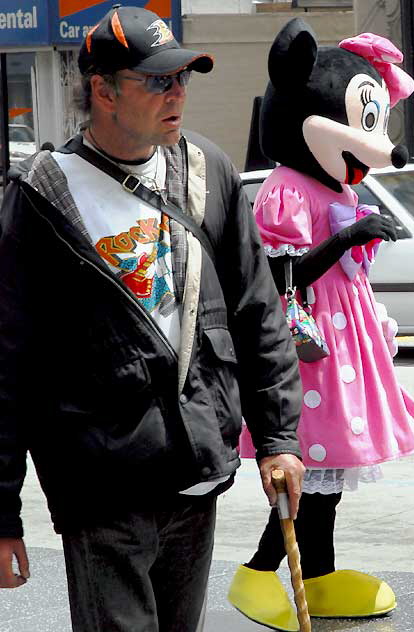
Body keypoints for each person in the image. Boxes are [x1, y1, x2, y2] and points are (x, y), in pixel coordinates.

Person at [0, 6, 305, 631]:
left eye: (184, 79)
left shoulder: (207, 173)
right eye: (158, 81)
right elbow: (7, 362)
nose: (178, 94)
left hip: (196, 477)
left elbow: (256, 313)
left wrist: (278, 439)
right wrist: (3, 516)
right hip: (103, 488)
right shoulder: (39, 195)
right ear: (103, 90)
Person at [228, 19, 414, 631]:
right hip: (308, 354)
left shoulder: (332, 192)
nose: (376, 147)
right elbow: (281, 274)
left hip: (342, 349)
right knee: (307, 474)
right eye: (357, 125)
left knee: (330, 475)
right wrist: (350, 234)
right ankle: (258, 573)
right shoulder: (286, 189)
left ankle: (317, 574)